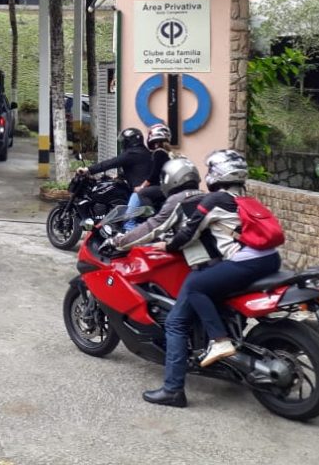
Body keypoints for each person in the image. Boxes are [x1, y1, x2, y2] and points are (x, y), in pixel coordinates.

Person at [142, 149, 282, 409]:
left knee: (192, 291)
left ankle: (180, 383)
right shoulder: (245, 199)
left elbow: (189, 232)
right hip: (271, 259)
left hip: (246, 262)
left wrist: (168, 246)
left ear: (217, 174)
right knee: (211, 289)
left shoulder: (214, 199)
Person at [115, 157, 205, 250]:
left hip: (196, 256)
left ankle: (128, 226)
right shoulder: (204, 196)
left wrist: (120, 242)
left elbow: (152, 226)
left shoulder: (177, 200)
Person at [77, 127, 153, 206]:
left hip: (140, 192)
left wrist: (88, 169)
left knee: (129, 213)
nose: (123, 143)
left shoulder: (132, 153)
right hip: (143, 190)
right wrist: (120, 176)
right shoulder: (142, 151)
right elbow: (138, 170)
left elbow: (111, 163)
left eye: (125, 141)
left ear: (130, 141)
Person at [127, 123, 173, 214]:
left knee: (141, 194)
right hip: (169, 187)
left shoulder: (159, 152)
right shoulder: (169, 153)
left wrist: (141, 187)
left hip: (163, 187)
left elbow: (154, 175)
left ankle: (149, 217)